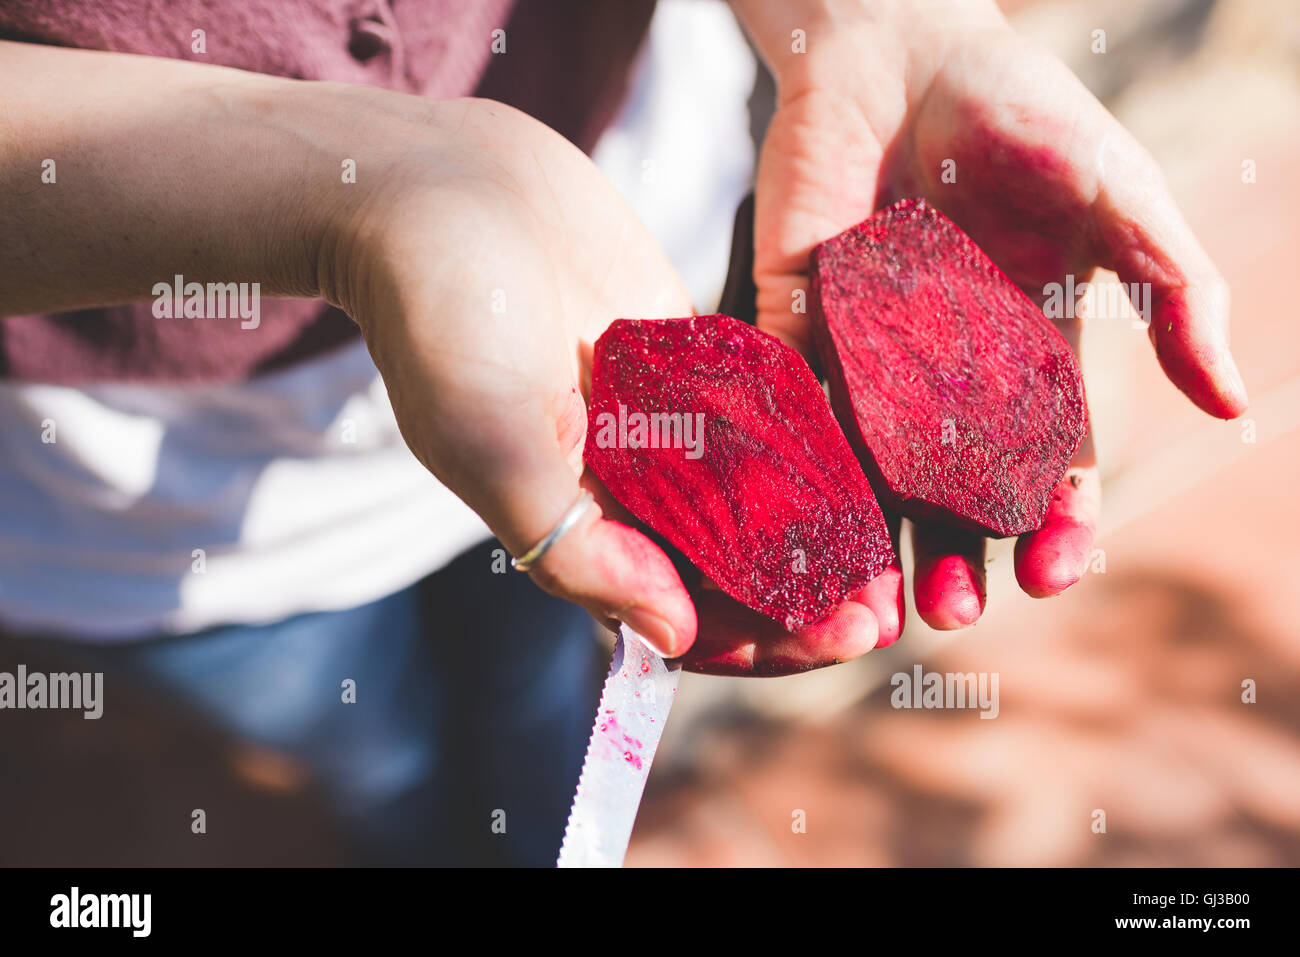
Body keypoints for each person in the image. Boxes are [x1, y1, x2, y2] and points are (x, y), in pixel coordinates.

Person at [0, 0, 1246, 864]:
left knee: (545, 683)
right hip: (159, 502)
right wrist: (354, 200)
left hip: (604, 275)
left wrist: (878, 22)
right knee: (369, 747)